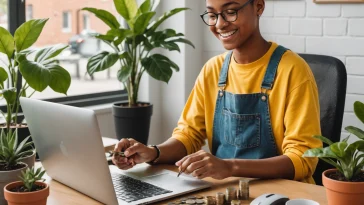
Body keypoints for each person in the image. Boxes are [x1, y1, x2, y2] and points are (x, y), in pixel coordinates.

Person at [112, 0, 322, 184]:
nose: (220, 24)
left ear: (258, 6)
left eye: (230, 11)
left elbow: (303, 159)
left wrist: (230, 167)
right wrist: (153, 152)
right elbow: (189, 135)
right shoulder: (212, 70)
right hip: (227, 190)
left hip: (283, 194)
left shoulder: (293, 70)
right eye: (212, 15)